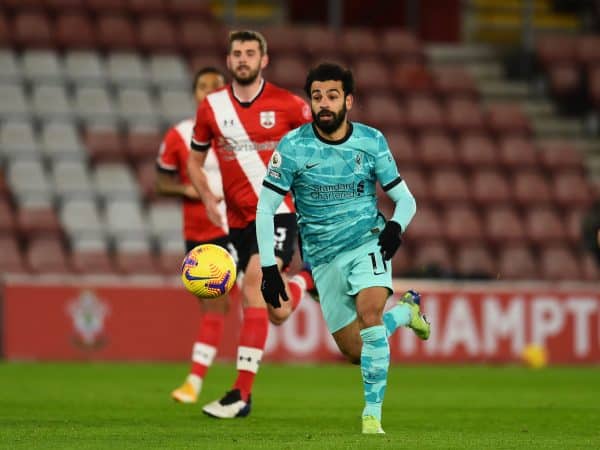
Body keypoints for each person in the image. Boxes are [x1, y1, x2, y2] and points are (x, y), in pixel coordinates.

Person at [256, 63, 430, 434]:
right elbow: (265, 207)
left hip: (367, 241)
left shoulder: (371, 141)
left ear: (348, 100)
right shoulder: (293, 146)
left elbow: (406, 199)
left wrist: (396, 227)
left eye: (332, 96)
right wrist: (269, 269)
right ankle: (404, 314)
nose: (324, 103)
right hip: (321, 257)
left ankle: (372, 415)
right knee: (355, 351)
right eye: (317, 96)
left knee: (369, 315)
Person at [188, 30, 314, 418]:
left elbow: (320, 149)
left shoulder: (291, 105)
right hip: (237, 221)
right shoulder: (211, 107)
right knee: (274, 309)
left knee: (253, 284)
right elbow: (194, 160)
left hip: (277, 211)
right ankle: (305, 281)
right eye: (236, 53)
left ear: (264, 60)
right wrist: (208, 197)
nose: (243, 59)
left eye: (250, 53)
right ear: (228, 61)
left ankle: (241, 394)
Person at [155, 67, 229, 404]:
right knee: (214, 306)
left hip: (239, 228)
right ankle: (196, 383)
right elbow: (160, 182)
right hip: (201, 232)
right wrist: (186, 188)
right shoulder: (179, 135)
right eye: (203, 86)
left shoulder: (240, 134)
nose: (209, 90)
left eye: (216, 85)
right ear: (196, 94)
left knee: (257, 300)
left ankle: (196, 382)